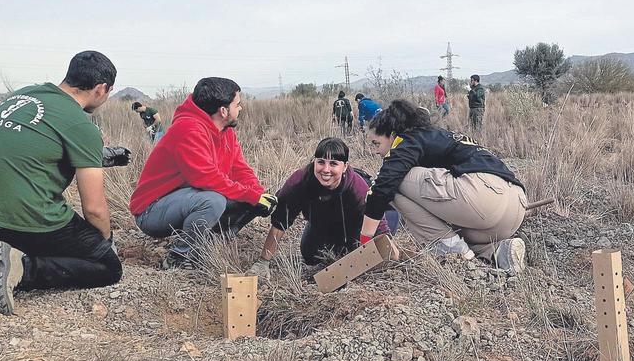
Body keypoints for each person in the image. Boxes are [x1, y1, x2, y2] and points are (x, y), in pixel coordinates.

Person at [0, 51, 124, 314]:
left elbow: (29, 146)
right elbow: (94, 208)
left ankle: (12, 253)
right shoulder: (81, 125)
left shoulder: (24, 95)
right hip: (20, 219)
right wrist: (104, 242)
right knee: (108, 267)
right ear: (101, 89)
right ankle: (24, 270)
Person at [360, 100, 527, 273]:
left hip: (483, 197)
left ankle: (453, 254)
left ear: (392, 134)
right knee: (447, 225)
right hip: (514, 208)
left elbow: (382, 188)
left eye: (376, 144)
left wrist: (365, 240)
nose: (375, 152)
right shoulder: (437, 136)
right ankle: (499, 252)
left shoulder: (406, 140)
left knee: (395, 183)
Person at [129, 77, 277, 268]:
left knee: (255, 198)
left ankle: (211, 241)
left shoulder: (226, 131)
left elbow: (240, 169)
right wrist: (250, 194)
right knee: (213, 200)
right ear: (223, 111)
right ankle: (179, 257)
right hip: (151, 211)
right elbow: (206, 178)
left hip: (185, 199)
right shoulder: (188, 129)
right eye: (238, 104)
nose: (240, 109)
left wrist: (259, 193)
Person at [250, 137, 389, 272]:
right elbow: (280, 221)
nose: (326, 169)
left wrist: (387, 252)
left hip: (360, 223)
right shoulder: (299, 182)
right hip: (323, 221)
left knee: (356, 258)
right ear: (314, 162)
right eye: (321, 162)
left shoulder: (357, 188)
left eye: (333, 163)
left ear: (345, 166)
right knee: (310, 255)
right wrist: (263, 261)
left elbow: (379, 224)